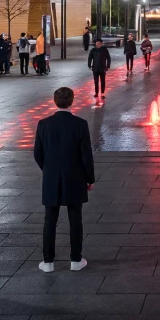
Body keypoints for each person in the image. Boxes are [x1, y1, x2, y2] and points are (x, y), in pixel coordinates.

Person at [33, 87, 96, 273]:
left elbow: (38, 153)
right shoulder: (80, 124)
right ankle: (76, 260)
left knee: (50, 219)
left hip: (51, 177)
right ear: (72, 101)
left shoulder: (44, 124)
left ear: (55, 101)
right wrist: (89, 178)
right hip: (75, 177)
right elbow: (86, 155)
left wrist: (48, 169)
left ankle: (48, 262)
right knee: (75, 218)